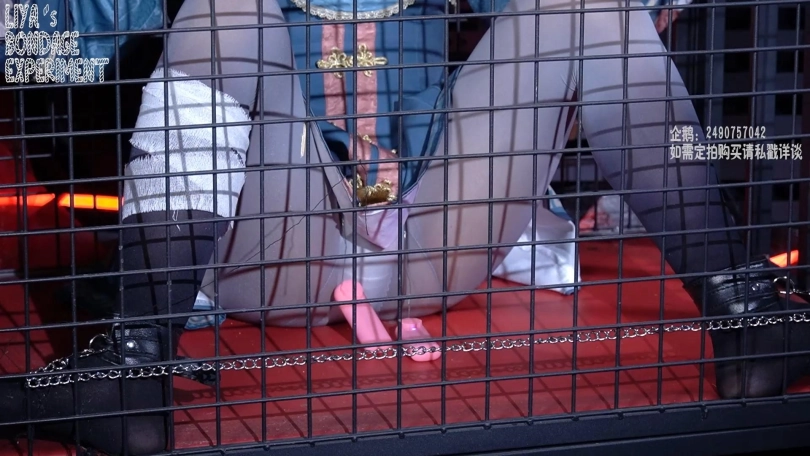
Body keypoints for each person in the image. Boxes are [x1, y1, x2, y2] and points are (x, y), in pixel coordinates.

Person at [2, 0, 807, 454]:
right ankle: (133, 362)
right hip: (283, 252)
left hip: (431, 245)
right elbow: (58, 46)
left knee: (582, 8)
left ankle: (748, 311)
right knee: (226, 11)